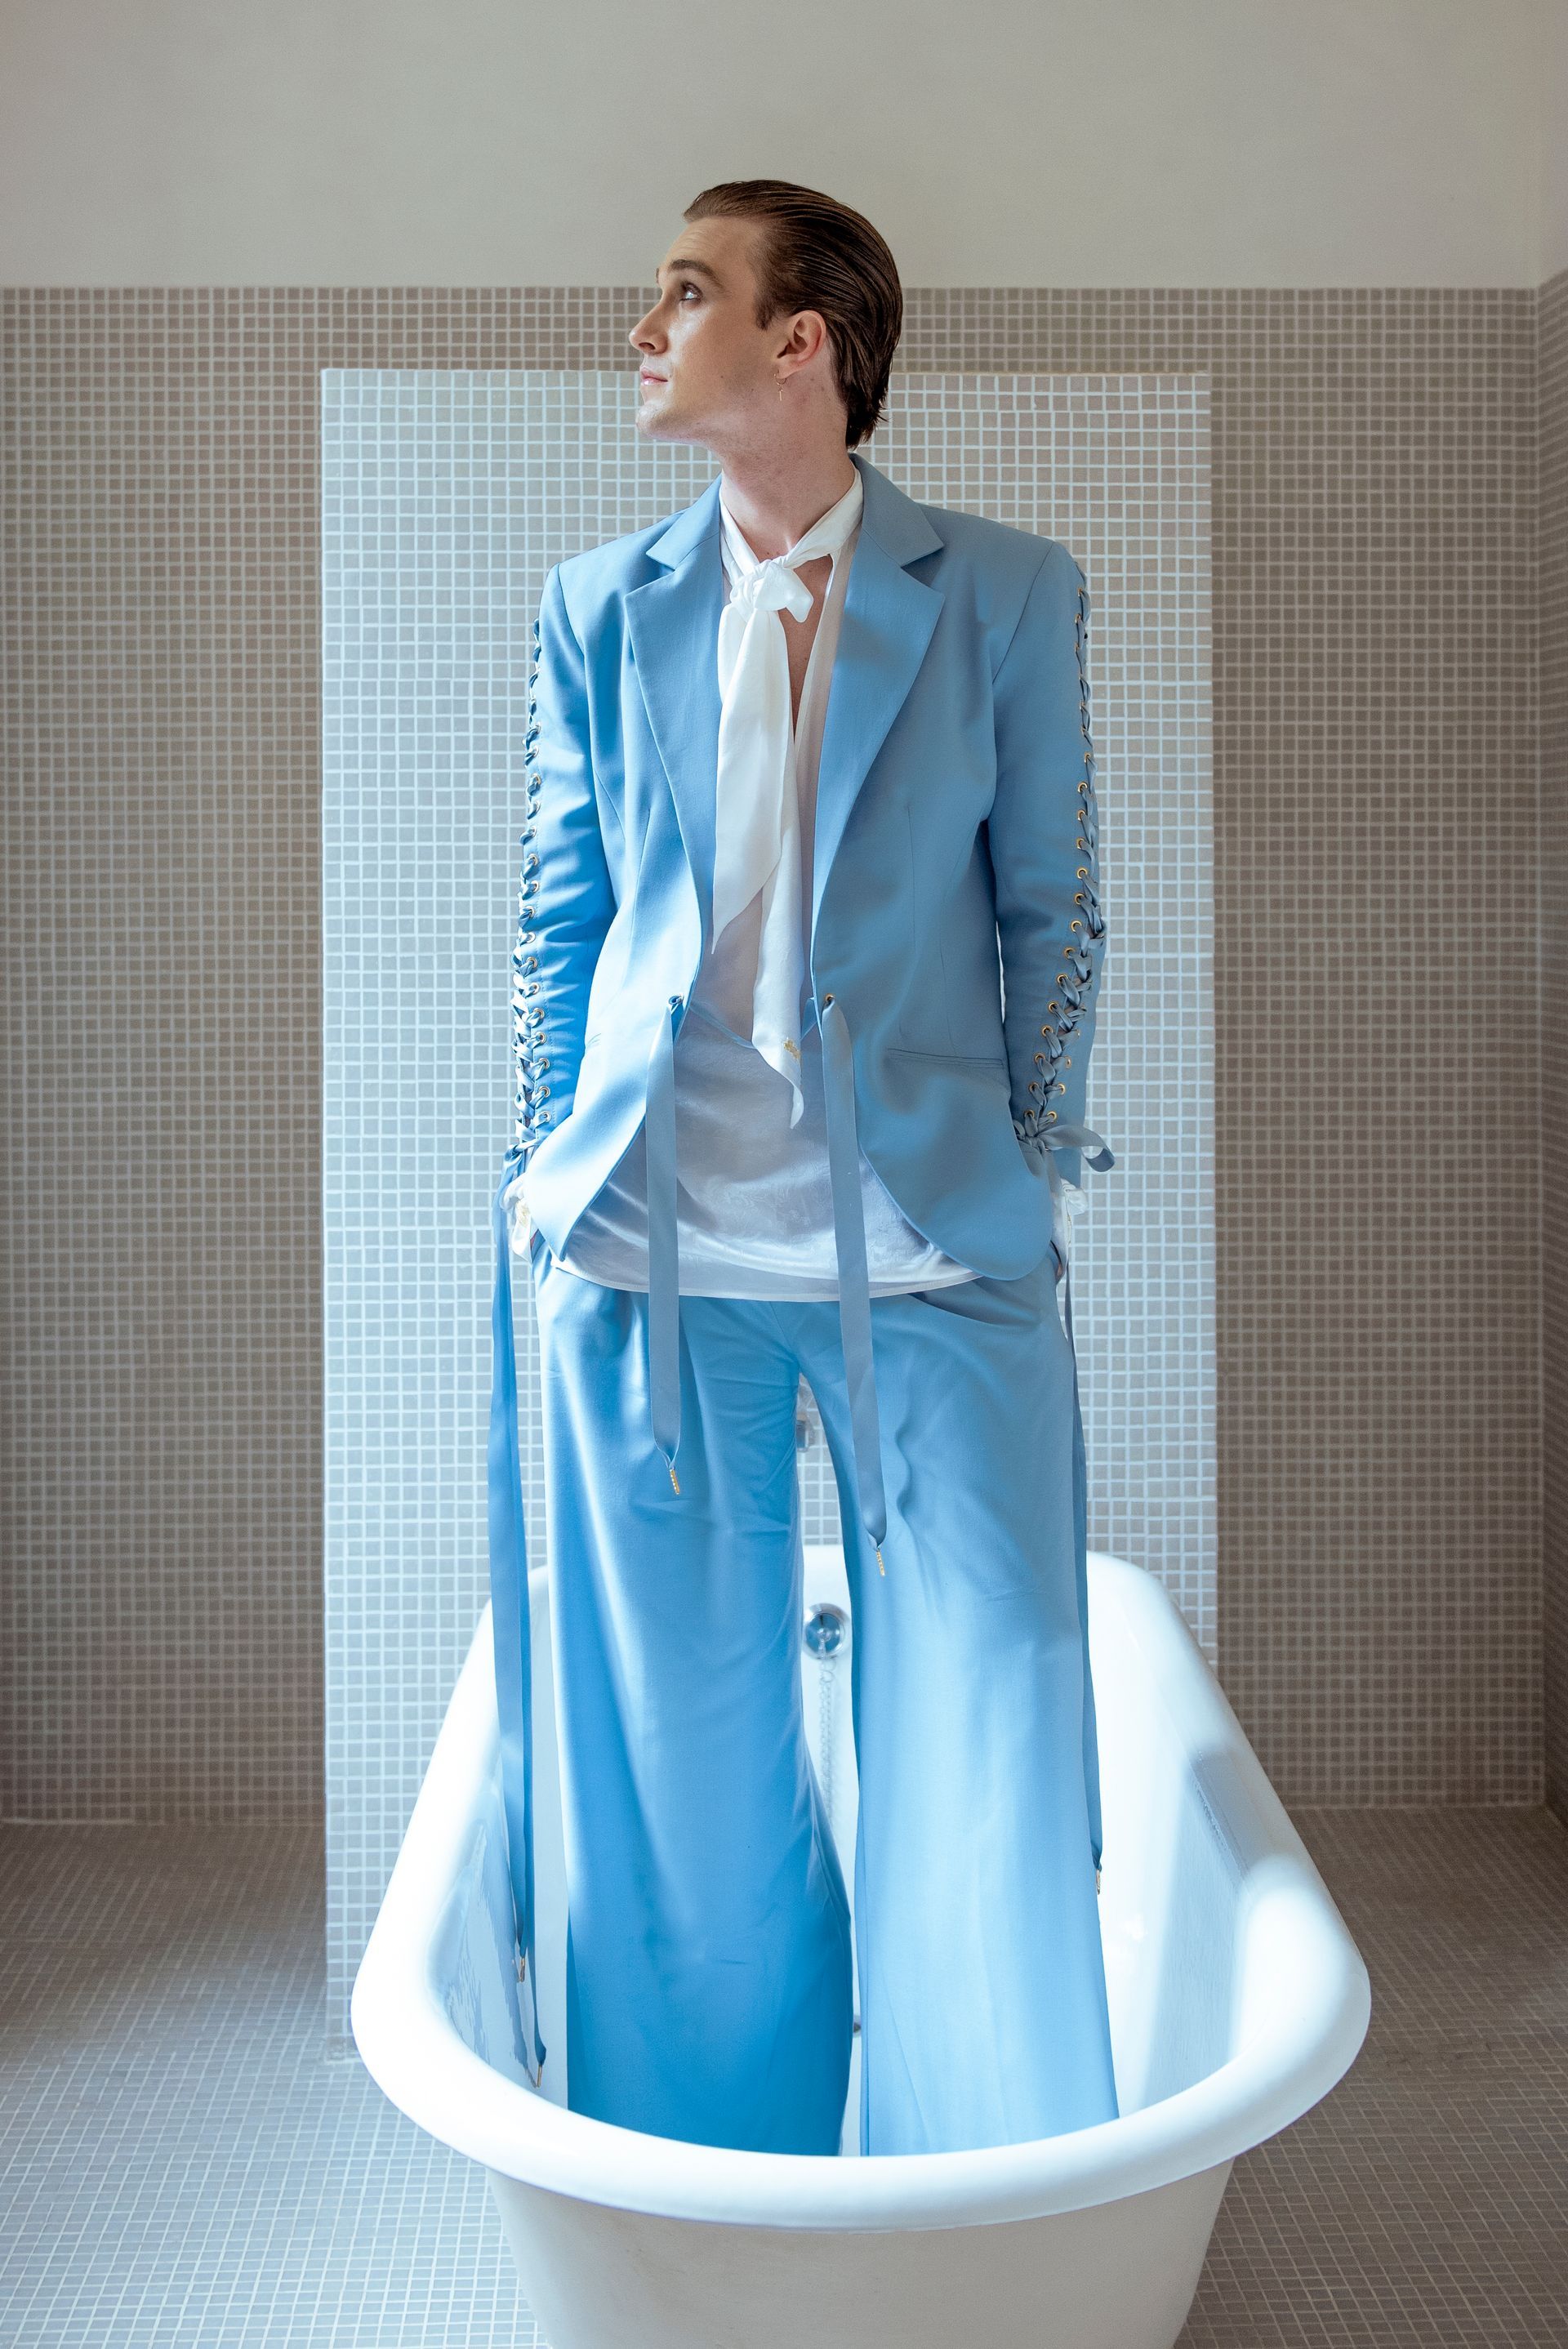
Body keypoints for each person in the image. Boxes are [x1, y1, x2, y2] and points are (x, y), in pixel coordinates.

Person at [486, 177, 1118, 2158]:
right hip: (654, 1261)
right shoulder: (600, 607)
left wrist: (1024, 1171)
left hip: (939, 1263)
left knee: (993, 1744)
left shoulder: (1004, 592)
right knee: (687, 1778)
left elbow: (1058, 914)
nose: (642, 324)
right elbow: (560, 923)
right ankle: (716, 2198)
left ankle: (997, 2192)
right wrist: (547, 1169)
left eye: (685, 291)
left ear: (805, 346)